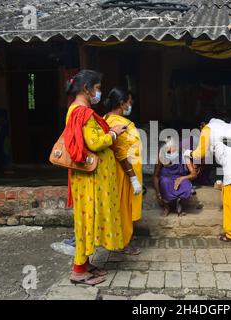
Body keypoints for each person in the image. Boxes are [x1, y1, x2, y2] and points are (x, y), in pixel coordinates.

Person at [65, 70, 127, 285]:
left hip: (90, 179)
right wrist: (114, 133)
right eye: (98, 88)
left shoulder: (78, 110)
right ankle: (78, 271)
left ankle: (86, 264)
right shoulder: (82, 112)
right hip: (89, 180)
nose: (99, 93)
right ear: (86, 89)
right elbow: (94, 143)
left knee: (89, 218)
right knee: (87, 220)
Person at [184, 118, 231, 242]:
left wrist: (188, 153)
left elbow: (200, 153)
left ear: (202, 124)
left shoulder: (208, 128)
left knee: (230, 200)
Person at [104, 87, 143, 255]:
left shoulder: (111, 119)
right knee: (123, 208)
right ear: (122, 103)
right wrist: (133, 178)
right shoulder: (116, 123)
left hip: (127, 172)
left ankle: (123, 239)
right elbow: (121, 153)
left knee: (123, 207)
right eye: (129, 102)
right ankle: (123, 242)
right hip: (124, 173)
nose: (130, 105)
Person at [153, 138, 197, 217]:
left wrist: (182, 178)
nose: (171, 153)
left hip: (179, 178)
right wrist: (158, 193)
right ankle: (166, 207)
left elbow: (194, 174)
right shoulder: (161, 157)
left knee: (186, 185)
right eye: (168, 152)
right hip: (166, 179)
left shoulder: (183, 155)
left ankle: (179, 203)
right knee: (164, 183)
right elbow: (156, 176)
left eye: (173, 151)